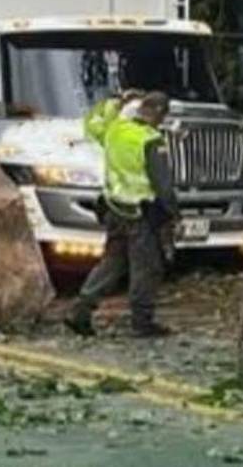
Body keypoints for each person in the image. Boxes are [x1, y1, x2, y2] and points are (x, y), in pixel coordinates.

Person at [66, 90, 178, 338]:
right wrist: (172, 212)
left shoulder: (115, 130)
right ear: (158, 112)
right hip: (141, 214)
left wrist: (113, 101)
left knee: (112, 263)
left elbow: (91, 122)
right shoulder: (150, 140)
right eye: (163, 116)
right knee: (146, 267)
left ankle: (80, 309)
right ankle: (142, 321)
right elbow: (162, 184)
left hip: (113, 208)